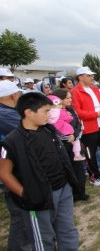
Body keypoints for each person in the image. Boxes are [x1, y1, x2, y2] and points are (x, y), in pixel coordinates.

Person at [0, 92, 81, 250]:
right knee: (43, 239)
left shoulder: (49, 131)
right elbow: (4, 173)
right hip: (38, 197)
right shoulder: (12, 141)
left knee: (68, 231)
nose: (50, 115)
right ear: (29, 112)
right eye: (45, 111)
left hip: (63, 189)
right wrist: (26, 194)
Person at [71, 66, 100, 186]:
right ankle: (94, 176)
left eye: (92, 75)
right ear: (80, 77)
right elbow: (78, 112)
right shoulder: (75, 91)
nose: (92, 77)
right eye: (89, 76)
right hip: (88, 128)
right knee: (90, 154)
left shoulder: (95, 89)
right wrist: (96, 114)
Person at [0, 80, 29, 250]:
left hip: (10, 168)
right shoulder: (6, 114)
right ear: (14, 95)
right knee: (20, 215)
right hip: (11, 171)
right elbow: (29, 130)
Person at [52, 88, 89, 202]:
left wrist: (74, 135)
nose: (70, 100)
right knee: (67, 170)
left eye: (70, 97)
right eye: (67, 98)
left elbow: (78, 125)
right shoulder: (52, 113)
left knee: (78, 169)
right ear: (59, 100)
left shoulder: (72, 110)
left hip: (74, 143)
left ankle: (80, 192)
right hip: (61, 145)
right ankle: (69, 195)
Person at [47, 95, 85, 161]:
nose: (70, 99)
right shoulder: (62, 111)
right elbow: (70, 119)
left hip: (58, 134)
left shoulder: (49, 114)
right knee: (76, 143)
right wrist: (69, 115)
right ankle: (77, 155)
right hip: (67, 132)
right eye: (67, 98)